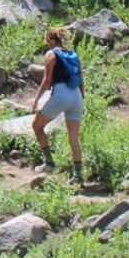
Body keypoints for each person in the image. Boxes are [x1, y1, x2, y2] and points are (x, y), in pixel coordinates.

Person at [30, 26, 86, 179]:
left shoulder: (51, 54)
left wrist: (36, 100)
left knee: (37, 126)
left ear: (52, 39)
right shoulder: (73, 54)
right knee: (74, 138)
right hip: (76, 96)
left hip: (61, 94)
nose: (47, 44)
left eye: (48, 41)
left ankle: (49, 163)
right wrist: (82, 100)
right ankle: (78, 176)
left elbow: (47, 81)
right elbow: (81, 80)